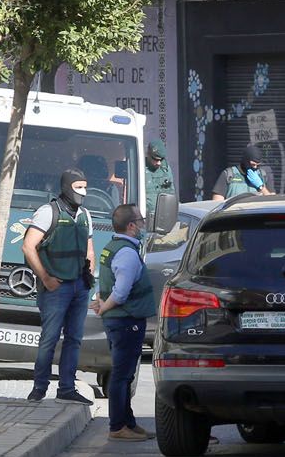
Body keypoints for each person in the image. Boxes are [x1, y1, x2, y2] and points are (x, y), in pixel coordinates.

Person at [21, 168, 96, 404]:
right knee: (49, 339)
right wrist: (45, 278)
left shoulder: (85, 214)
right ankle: (39, 389)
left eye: (85, 187)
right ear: (66, 187)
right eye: (78, 187)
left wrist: (89, 273)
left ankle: (67, 388)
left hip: (79, 287)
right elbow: (28, 246)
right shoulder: (48, 212)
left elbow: (90, 248)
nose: (82, 192)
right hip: (56, 288)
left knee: (74, 339)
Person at [89, 203, 153, 441]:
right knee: (122, 374)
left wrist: (100, 301)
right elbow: (121, 292)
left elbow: (104, 279)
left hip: (121, 320)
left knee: (125, 374)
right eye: (140, 220)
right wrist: (104, 307)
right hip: (126, 320)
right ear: (131, 226)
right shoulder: (127, 252)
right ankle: (118, 426)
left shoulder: (111, 247)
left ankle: (128, 421)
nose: (143, 224)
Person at [143, 142, 175, 214]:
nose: (159, 163)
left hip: (163, 214)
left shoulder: (165, 169)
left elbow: (171, 192)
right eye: (156, 159)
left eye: (161, 159)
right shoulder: (140, 167)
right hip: (147, 214)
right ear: (148, 154)